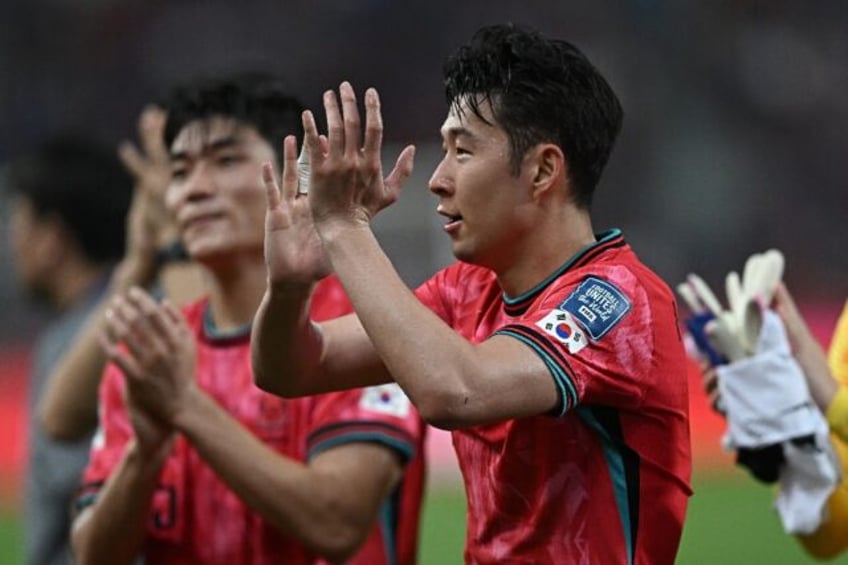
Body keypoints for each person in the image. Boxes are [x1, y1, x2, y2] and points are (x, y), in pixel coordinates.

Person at [253, 24, 691, 564]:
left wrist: (345, 227)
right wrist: (291, 287)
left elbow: (457, 392)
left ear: (543, 170)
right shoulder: (467, 290)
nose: (436, 179)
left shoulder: (620, 302)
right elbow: (293, 368)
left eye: (462, 151)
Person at [70, 73, 426, 564]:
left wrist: (186, 408)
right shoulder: (153, 349)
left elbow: (337, 521)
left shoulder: (360, 328)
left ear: (296, 176)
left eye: (225, 160)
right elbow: (91, 555)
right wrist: (145, 454)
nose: (194, 190)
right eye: (180, 172)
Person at [38, 105, 204, 444]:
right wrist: (139, 263)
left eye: (227, 162)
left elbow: (217, 385)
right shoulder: (146, 296)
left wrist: (172, 239)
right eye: (180, 172)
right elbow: (58, 419)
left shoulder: (296, 305)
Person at [5, 134, 133, 565]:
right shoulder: (143, 307)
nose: (12, 247)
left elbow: (76, 482)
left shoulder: (80, 339)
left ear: (52, 238)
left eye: (18, 225)